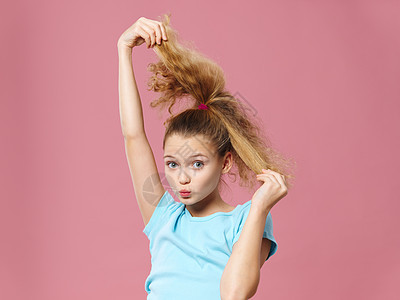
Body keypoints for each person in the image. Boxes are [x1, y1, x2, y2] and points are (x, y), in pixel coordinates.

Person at [117, 13, 296, 300]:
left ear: (225, 163)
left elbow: (234, 294)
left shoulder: (245, 220)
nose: (182, 178)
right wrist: (123, 50)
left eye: (197, 164)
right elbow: (133, 136)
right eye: (172, 165)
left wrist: (260, 206)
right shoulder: (163, 215)